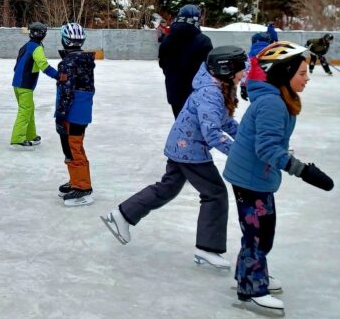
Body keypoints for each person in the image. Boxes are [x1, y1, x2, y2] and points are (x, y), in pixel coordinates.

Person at [101, 46, 247, 269]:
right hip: (190, 149)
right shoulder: (210, 93)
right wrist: (242, 154)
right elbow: (213, 133)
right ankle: (207, 249)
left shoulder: (219, 87)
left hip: (183, 146)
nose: (243, 73)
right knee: (215, 193)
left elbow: (225, 122)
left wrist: (247, 140)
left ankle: (122, 214)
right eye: (240, 69)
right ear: (225, 70)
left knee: (168, 187)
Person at [223, 41, 334, 312]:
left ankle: (248, 273)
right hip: (250, 177)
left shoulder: (278, 97)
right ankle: (250, 291)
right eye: (301, 73)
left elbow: (269, 141)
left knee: (258, 231)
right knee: (259, 233)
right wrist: (303, 170)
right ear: (284, 74)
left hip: (254, 175)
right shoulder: (273, 103)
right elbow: (267, 148)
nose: (307, 79)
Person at [54, 23, 96, 207]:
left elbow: (67, 91)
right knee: (71, 147)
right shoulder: (84, 60)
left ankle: (82, 187)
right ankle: (76, 179)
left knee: (73, 148)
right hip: (81, 110)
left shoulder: (69, 63)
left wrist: (60, 115)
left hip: (72, 112)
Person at [159, 4, 214, 118]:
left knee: (180, 127)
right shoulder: (203, 41)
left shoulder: (167, 39)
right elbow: (210, 68)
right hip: (198, 93)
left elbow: (162, 63)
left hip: (174, 92)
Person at [11, 22, 57, 147]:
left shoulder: (26, 46)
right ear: (43, 34)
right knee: (25, 110)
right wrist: (58, 76)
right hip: (25, 84)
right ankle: (17, 139)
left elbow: (17, 64)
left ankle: (30, 135)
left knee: (29, 109)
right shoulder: (37, 47)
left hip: (18, 83)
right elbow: (44, 65)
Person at [240, 32, 273, 101]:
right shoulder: (273, 53)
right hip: (271, 85)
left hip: (254, 86)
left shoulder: (249, 56)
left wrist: (243, 87)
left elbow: (246, 71)